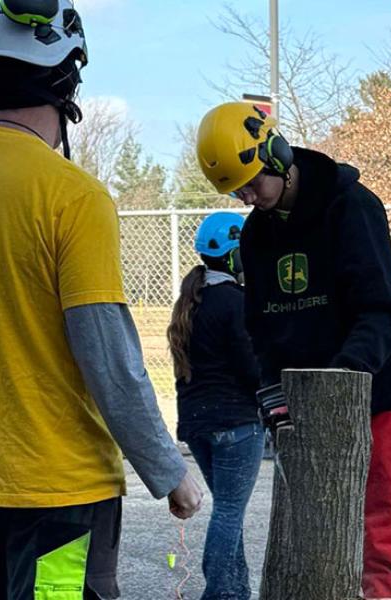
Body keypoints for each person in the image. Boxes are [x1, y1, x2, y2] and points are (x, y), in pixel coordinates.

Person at [0, 2, 202, 597]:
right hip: (64, 499)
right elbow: (108, 358)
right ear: (66, 76)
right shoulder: (74, 197)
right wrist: (168, 473)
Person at [195, 102, 391, 600]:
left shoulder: (351, 207)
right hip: (305, 407)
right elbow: (260, 327)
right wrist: (270, 391)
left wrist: (340, 383)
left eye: (253, 181)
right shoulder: (257, 234)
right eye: (236, 189)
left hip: (379, 399)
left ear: (275, 154)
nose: (248, 196)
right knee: (310, 527)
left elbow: (381, 311)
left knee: (382, 522)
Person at [167, 212, 264, 600]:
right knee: (228, 511)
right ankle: (221, 593)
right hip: (235, 422)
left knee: (229, 512)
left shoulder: (192, 300)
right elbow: (249, 367)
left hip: (197, 425)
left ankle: (235, 592)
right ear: (234, 254)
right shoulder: (234, 302)